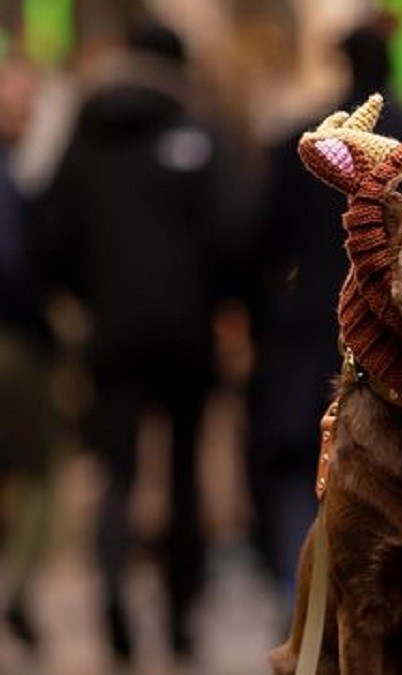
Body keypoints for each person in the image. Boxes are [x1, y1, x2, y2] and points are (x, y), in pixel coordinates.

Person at [29, 21, 249, 664]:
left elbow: (49, 236)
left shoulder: (85, 134)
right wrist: (224, 304)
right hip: (186, 337)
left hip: (112, 335)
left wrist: (89, 299)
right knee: (182, 474)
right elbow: (234, 237)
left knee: (116, 473)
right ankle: (181, 616)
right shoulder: (201, 134)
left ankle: (113, 607)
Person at [245, 13, 402, 595]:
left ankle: (299, 593)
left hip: (309, 330)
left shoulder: (303, 145)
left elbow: (260, 246)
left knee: (305, 462)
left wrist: (265, 323)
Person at [0, 53, 55, 651]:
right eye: (18, 104)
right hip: (11, 339)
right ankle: (17, 585)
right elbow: (10, 261)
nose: (28, 115)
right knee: (43, 469)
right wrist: (44, 329)